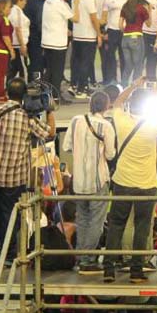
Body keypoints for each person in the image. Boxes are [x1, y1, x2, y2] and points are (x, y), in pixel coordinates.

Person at [0, 77, 56, 267]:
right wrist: (49, 109)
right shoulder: (26, 117)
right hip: (14, 177)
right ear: (23, 95)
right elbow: (50, 134)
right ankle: (8, 256)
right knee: (11, 216)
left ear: (7, 92)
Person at [103, 79, 157, 284]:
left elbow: (117, 103)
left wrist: (134, 86)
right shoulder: (153, 124)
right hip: (147, 184)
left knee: (117, 224)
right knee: (142, 226)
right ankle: (137, 270)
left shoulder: (121, 121)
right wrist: (156, 93)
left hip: (122, 180)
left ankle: (109, 269)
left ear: (131, 104)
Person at [63, 91, 116, 274]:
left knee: (83, 219)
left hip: (78, 182)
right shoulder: (106, 126)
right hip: (98, 181)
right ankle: (88, 260)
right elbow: (110, 154)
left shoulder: (76, 120)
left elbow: (67, 147)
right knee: (96, 222)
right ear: (107, 105)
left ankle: (80, 258)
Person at [41, 0, 81, 93]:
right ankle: (55, 95)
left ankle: (45, 93)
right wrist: (76, 4)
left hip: (47, 40)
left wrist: (65, 29)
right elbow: (76, 19)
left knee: (49, 70)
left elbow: (54, 19)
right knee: (57, 71)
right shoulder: (60, 3)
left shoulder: (49, 0)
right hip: (57, 43)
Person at [119, 0, 150, 86]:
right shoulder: (142, 8)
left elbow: (120, 25)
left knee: (128, 65)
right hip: (137, 37)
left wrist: (127, 32)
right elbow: (149, 24)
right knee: (138, 65)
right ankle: (135, 90)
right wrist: (149, 10)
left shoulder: (125, 6)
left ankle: (123, 88)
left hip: (125, 38)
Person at [100, 0, 129, 85]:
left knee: (124, 57)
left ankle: (124, 81)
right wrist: (103, 31)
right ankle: (112, 80)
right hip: (112, 31)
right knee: (110, 56)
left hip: (124, 31)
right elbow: (104, 17)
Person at [25, 0, 50, 79]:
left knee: (33, 62)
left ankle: (32, 84)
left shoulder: (29, 1)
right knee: (37, 63)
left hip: (29, 36)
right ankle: (36, 85)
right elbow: (40, 22)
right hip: (36, 37)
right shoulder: (38, 3)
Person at [8, 0, 30, 80]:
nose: (25, 3)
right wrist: (22, 45)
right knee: (23, 68)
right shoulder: (16, 11)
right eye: (24, 0)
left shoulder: (16, 10)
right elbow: (18, 29)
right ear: (19, 0)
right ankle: (22, 89)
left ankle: (8, 87)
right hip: (18, 44)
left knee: (14, 68)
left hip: (17, 43)